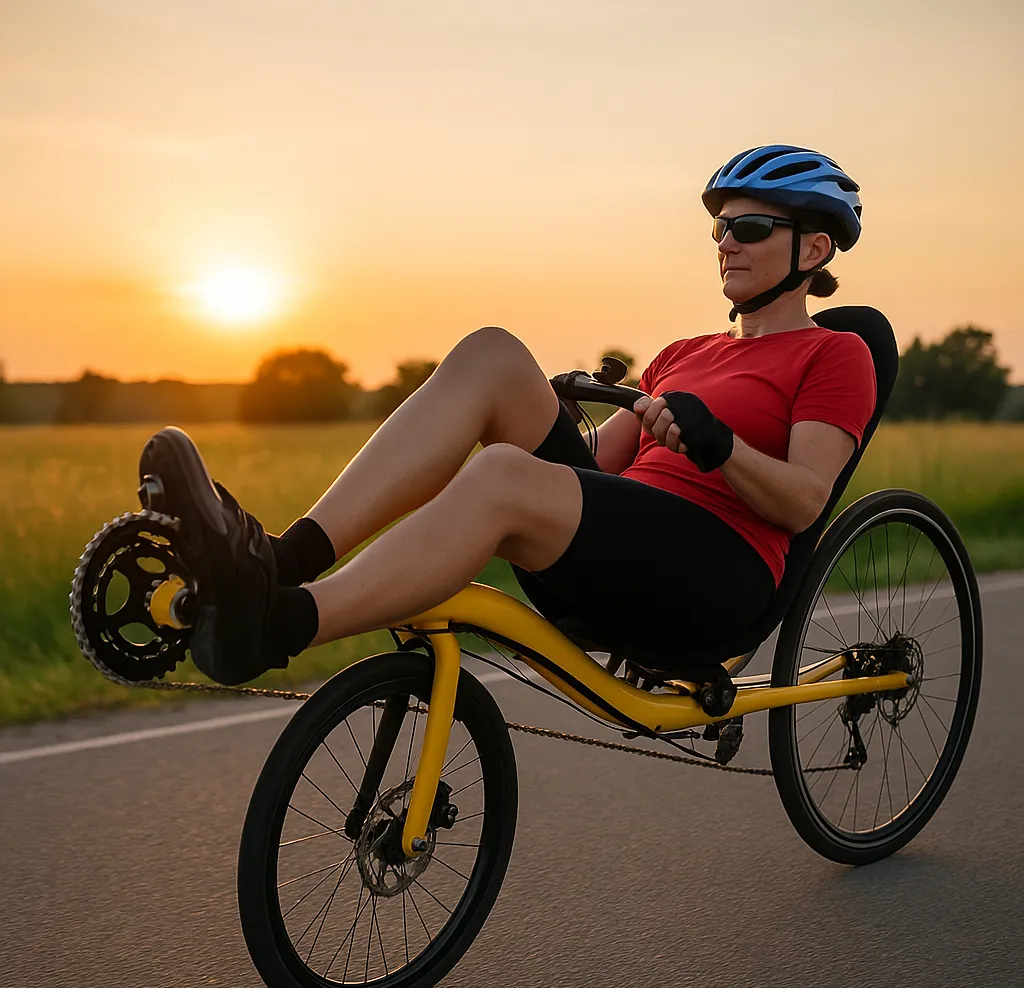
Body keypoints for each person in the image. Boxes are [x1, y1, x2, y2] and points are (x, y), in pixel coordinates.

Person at [139, 144, 876, 687]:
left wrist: (721, 447)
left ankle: (278, 625)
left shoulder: (837, 355)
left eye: (749, 229)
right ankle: (280, 562)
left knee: (502, 475)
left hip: (713, 577)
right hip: (620, 549)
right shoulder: (685, 351)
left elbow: (805, 499)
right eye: (720, 228)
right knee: (493, 354)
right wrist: (551, 412)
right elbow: (601, 469)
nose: (725, 243)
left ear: (814, 248)